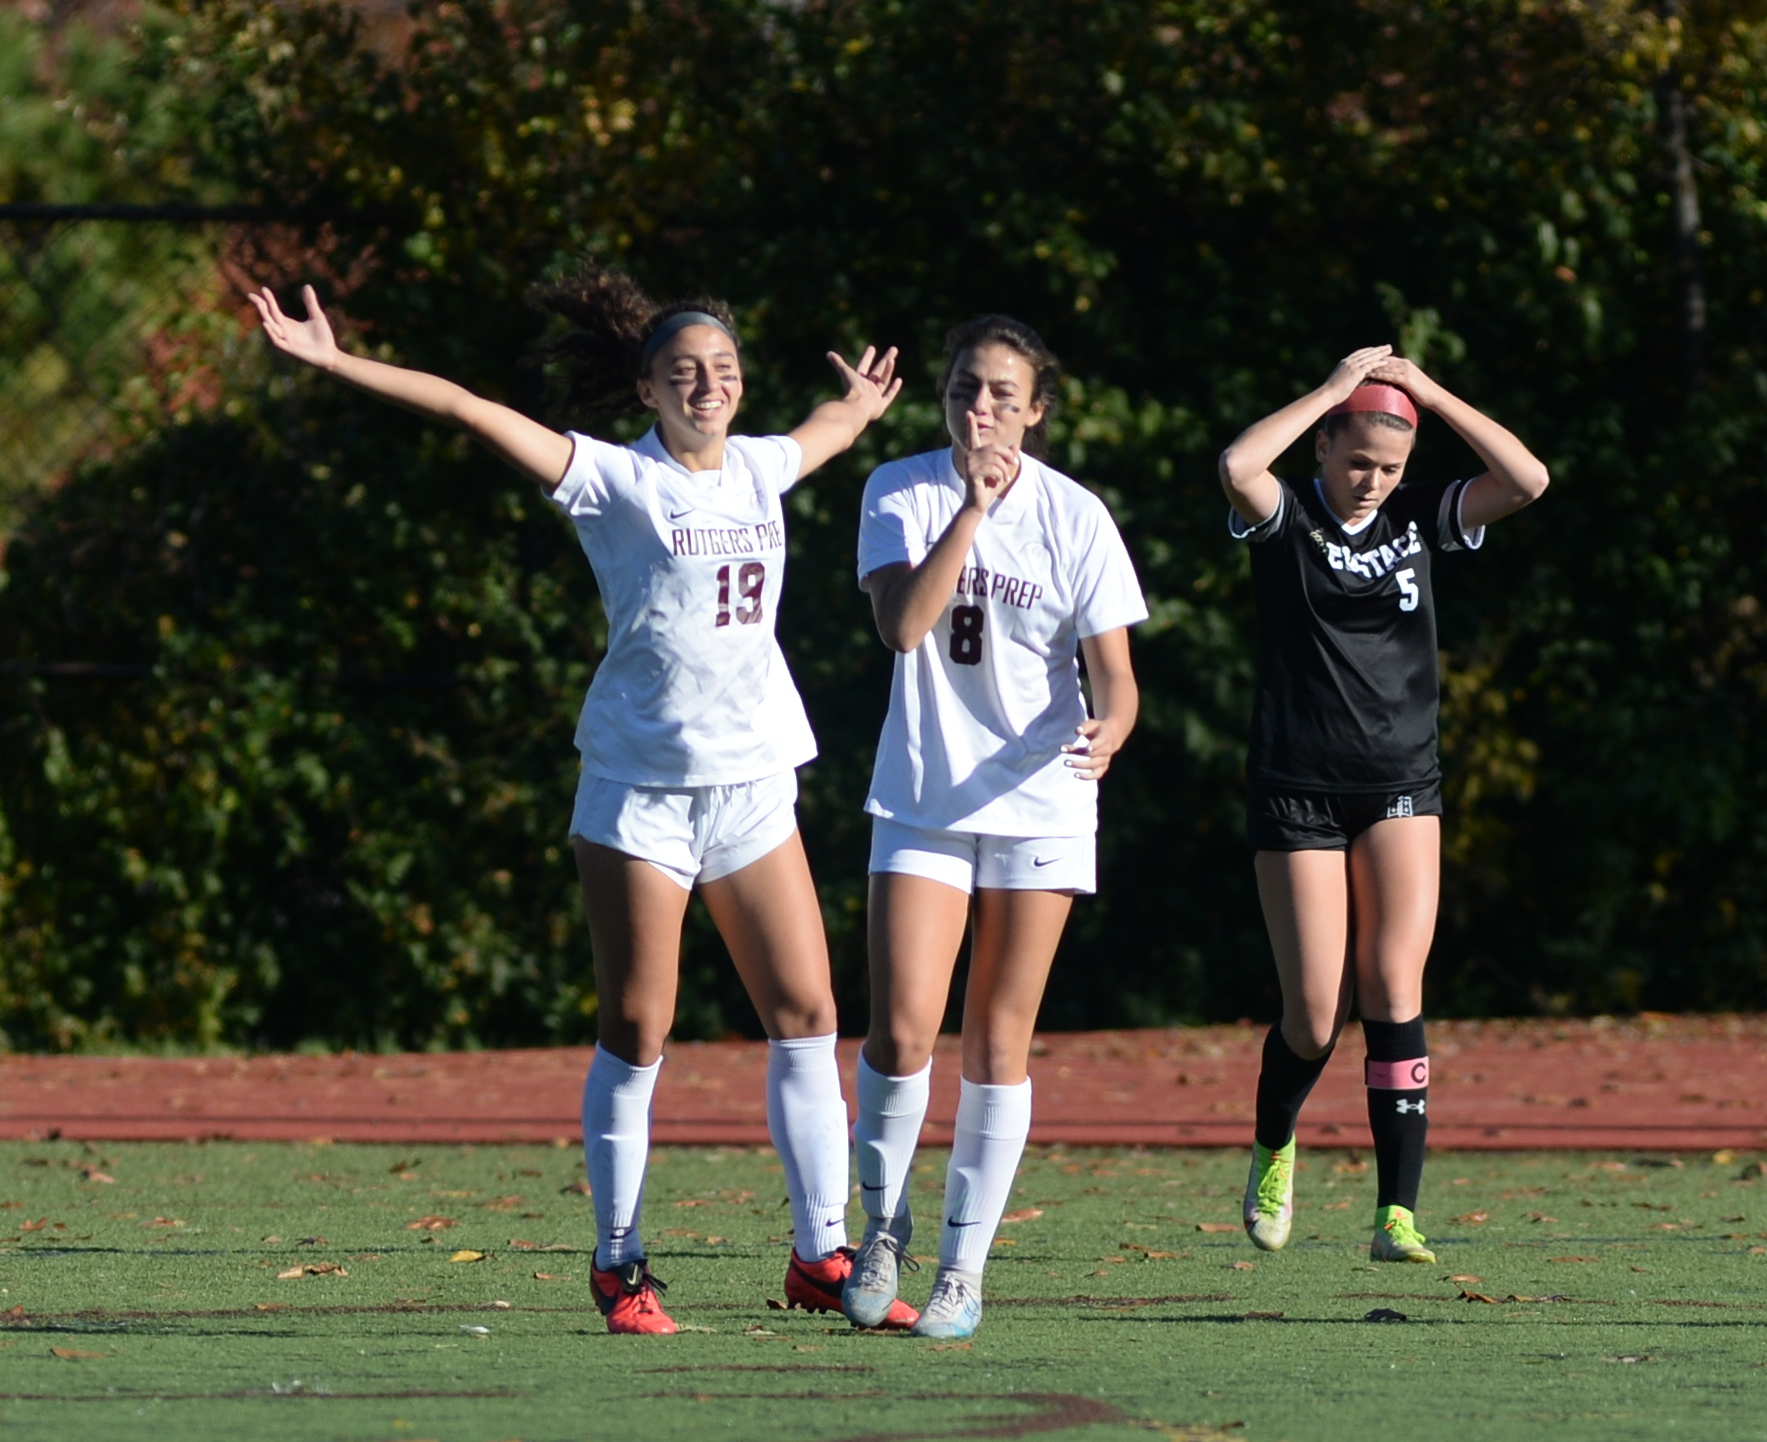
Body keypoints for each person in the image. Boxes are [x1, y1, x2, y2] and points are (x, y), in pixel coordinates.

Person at [248, 271, 913, 1333]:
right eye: (685, 371)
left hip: (751, 784)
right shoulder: (612, 477)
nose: (708, 385)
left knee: (807, 1015)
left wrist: (861, 406)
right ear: (646, 386)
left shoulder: (758, 466)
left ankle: (819, 1251)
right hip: (641, 791)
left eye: (725, 370)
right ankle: (620, 1262)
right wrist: (333, 359)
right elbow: (468, 407)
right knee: (640, 1027)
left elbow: (827, 426)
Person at [838, 315, 1148, 1340]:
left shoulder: (1077, 515)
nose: (982, 409)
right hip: (924, 796)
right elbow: (902, 625)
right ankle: (882, 1225)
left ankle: (963, 1268)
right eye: (967, 388)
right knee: (899, 1029)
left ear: (1036, 411)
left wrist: (1111, 731)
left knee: (998, 1040)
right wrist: (970, 515)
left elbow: (1116, 678)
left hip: (1040, 802)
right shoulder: (902, 487)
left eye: (1003, 396)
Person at [1217, 345, 1548, 1263]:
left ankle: (1395, 1212)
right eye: (1356, 460)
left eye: (1389, 467)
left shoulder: (1418, 516)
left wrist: (1427, 393)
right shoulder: (1284, 516)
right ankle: (1274, 1144)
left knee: (1393, 985)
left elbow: (1526, 479)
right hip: (1297, 787)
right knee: (1314, 1014)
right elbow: (1238, 467)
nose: (1371, 481)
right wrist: (1329, 387)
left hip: (1401, 780)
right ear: (1323, 446)